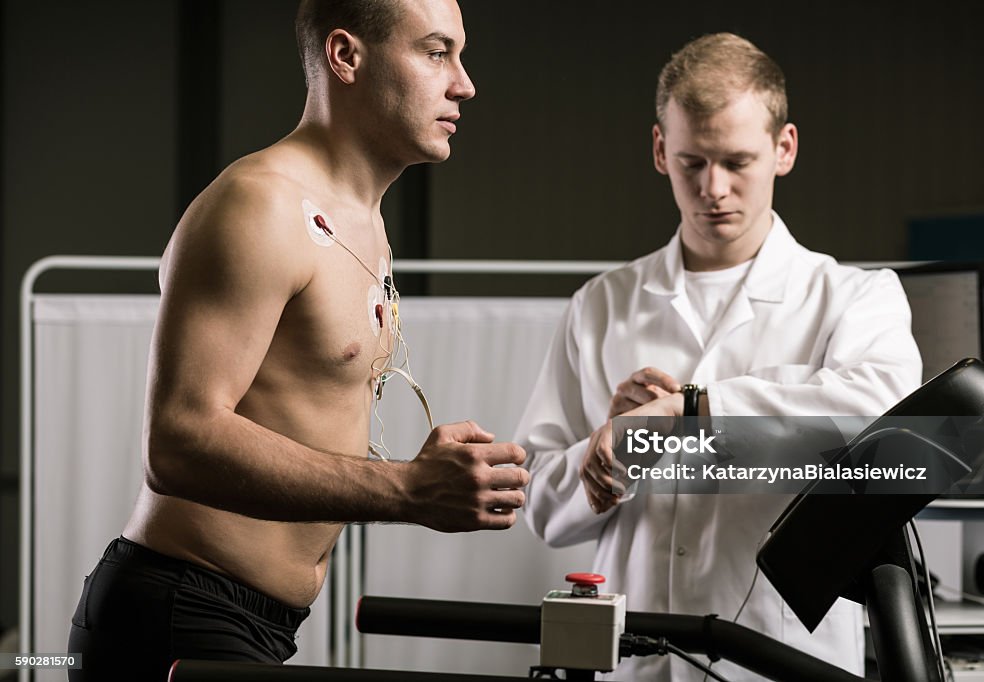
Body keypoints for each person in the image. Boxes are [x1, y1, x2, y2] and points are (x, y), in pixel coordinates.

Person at [68, 1, 529, 678]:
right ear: (345, 56)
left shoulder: (364, 221)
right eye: (436, 53)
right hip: (178, 613)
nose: (464, 84)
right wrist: (406, 489)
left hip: (260, 622)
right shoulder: (260, 206)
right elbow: (178, 441)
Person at [516, 33, 921, 681]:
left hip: (783, 659)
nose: (714, 188)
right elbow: (541, 504)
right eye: (691, 162)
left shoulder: (855, 298)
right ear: (658, 151)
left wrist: (693, 408)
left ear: (784, 148)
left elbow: (878, 425)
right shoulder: (602, 305)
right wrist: (618, 451)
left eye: (737, 161)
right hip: (634, 659)